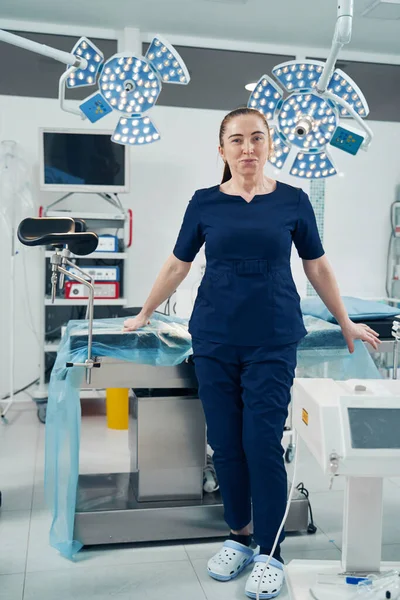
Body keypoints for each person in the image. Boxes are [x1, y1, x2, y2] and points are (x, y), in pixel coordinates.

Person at [123, 107, 380, 599]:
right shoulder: (203, 204)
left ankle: (271, 550)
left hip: (272, 339)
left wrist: (345, 319)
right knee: (224, 444)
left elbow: (317, 267)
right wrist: (144, 312)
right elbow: (178, 265)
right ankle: (238, 534)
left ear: (270, 146)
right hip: (215, 338)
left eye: (256, 139)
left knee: (262, 444)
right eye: (236, 140)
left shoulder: (293, 202)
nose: (247, 148)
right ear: (221, 150)